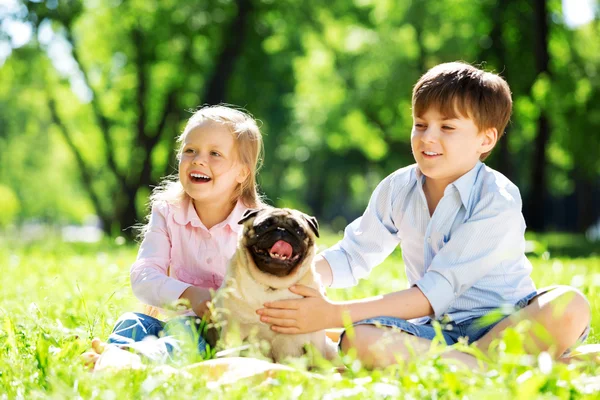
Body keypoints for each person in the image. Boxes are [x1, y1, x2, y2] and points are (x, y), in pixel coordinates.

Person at [257, 62, 591, 369]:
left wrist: (331, 315)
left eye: (447, 127)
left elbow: (434, 293)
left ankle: (481, 365)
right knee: (360, 339)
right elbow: (353, 254)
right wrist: (289, 276)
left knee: (570, 304)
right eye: (420, 124)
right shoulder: (399, 188)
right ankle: (489, 366)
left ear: (485, 138)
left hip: (507, 324)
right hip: (433, 333)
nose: (428, 137)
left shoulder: (497, 199)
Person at [82, 104, 265, 367]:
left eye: (215, 153)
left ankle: (131, 362)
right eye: (189, 150)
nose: (198, 160)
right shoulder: (168, 211)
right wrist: (190, 294)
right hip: (174, 321)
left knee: (188, 333)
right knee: (132, 321)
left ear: (242, 172)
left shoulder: (257, 225)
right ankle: (118, 356)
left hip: (224, 334)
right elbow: (144, 276)